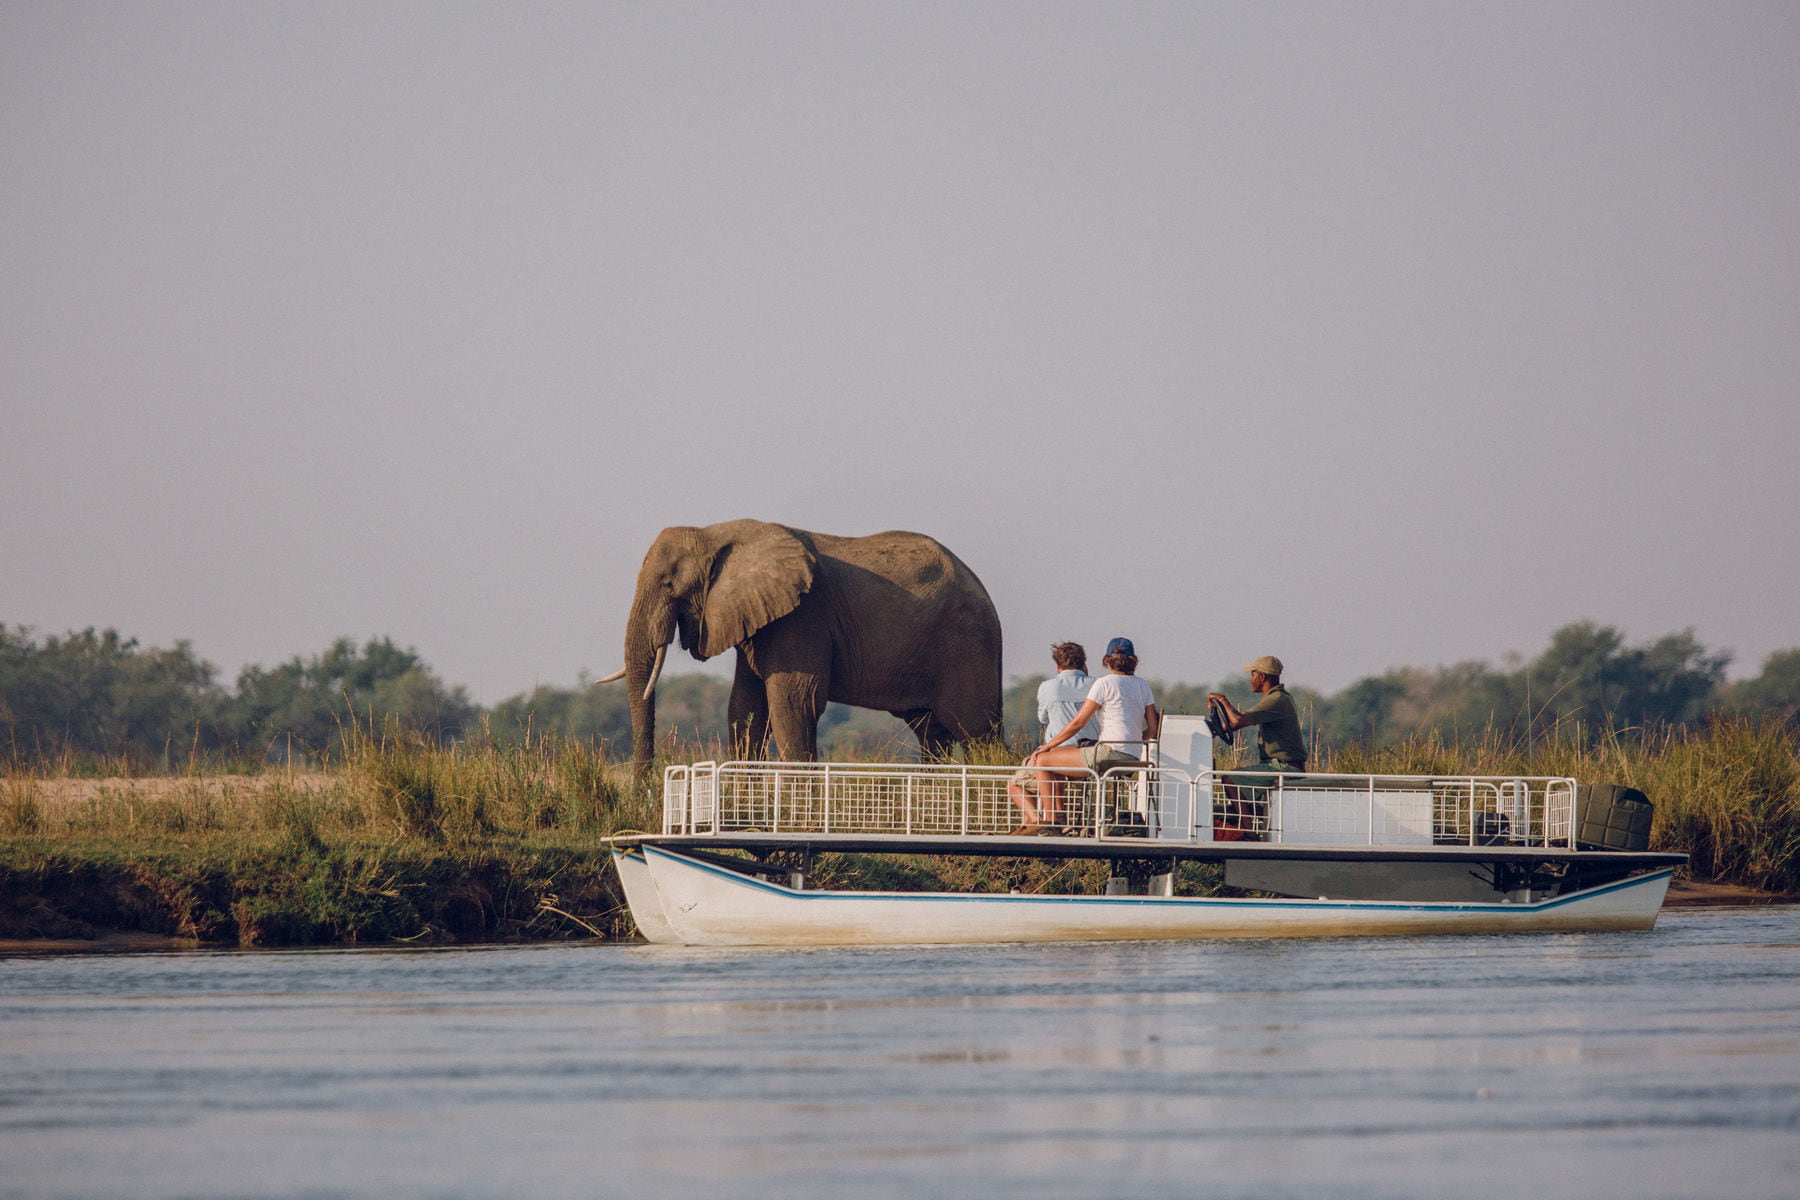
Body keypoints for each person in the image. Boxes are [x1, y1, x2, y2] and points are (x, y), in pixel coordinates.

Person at [1008, 637, 1161, 834]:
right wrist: (1133, 742)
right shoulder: (1143, 686)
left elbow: (1078, 723)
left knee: (1043, 760)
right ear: (1135, 661)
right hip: (1133, 755)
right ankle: (1056, 819)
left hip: (1108, 752)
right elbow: (1153, 728)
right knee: (1056, 759)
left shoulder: (1103, 684)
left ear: (1106, 660)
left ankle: (1053, 821)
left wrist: (1047, 745)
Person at [1207, 655, 1308, 772]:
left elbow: (1238, 720)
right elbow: (1236, 724)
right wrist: (1212, 730)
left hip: (1284, 767)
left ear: (1262, 677)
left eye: (1253, 675)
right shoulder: (1277, 697)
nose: (1251, 680)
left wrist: (1222, 699)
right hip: (1278, 765)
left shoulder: (1276, 699)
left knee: (1230, 779)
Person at [1037, 642, 1100, 746]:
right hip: (1092, 748)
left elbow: (1043, 718)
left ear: (1058, 665)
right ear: (1084, 664)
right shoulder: (1097, 684)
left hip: (1058, 748)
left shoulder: (1047, 686)